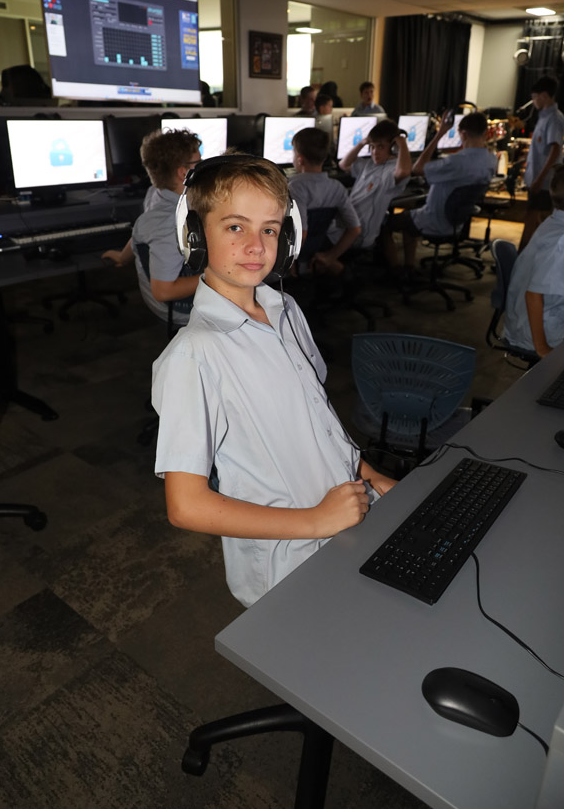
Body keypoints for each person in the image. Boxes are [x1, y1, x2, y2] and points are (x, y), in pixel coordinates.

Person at [151, 154, 396, 607]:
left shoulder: (284, 309)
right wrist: (316, 520)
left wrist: (369, 474)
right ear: (195, 237)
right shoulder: (194, 355)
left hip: (344, 521)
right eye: (235, 227)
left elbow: (317, 418)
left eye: (269, 229)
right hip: (288, 564)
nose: (256, 246)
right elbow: (186, 506)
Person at [105, 129, 202, 324]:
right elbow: (164, 291)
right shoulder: (170, 223)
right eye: (199, 163)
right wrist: (220, 277)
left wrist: (123, 257)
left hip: (163, 295)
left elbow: (143, 234)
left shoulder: (155, 192)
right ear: (184, 172)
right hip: (180, 307)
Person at [382, 111, 496, 274]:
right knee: (409, 218)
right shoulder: (491, 160)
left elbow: (417, 169)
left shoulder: (456, 161)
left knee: (384, 224)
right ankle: (409, 267)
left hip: (435, 219)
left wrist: (440, 133)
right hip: (456, 222)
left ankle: (396, 271)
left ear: (463, 134)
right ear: (485, 133)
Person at [503, 162, 564, 357]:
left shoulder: (555, 223)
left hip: (539, 320)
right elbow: (533, 295)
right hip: (537, 333)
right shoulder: (562, 240)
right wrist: (542, 349)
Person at [289, 127, 361, 275]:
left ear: (300, 159)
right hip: (319, 247)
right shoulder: (337, 187)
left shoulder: (294, 187)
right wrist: (330, 256)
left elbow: (301, 233)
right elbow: (355, 229)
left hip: (298, 255)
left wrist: (289, 262)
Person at [337, 119, 411, 250]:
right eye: (372, 147)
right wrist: (362, 143)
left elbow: (403, 172)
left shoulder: (392, 170)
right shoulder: (368, 165)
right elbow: (343, 165)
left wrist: (402, 144)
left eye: (381, 147)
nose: (375, 152)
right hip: (345, 224)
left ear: (393, 148)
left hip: (359, 234)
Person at [519, 75, 564, 252]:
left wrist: (540, 178)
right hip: (536, 176)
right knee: (535, 217)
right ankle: (537, 252)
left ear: (544, 96)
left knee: (532, 216)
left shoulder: (554, 118)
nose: (533, 101)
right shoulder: (544, 116)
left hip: (544, 179)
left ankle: (522, 254)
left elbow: (555, 150)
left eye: (534, 97)